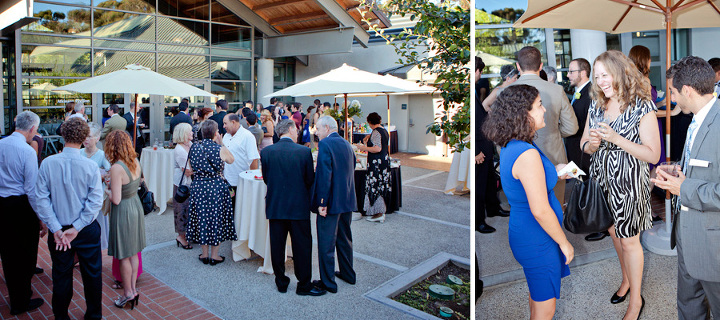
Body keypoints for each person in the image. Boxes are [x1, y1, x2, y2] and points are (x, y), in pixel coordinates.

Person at [482, 84, 575, 320]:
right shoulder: (527, 153)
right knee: (546, 310)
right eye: (539, 105)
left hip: (529, 234)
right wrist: (564, 242)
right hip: (538, 238)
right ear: (524, 114)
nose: (544, 110)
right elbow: (541, 210)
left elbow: (528, 182)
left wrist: (555, 171)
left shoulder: (515, 145)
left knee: (537, 297)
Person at [580, 50, 661, 320]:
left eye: (606, 75)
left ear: (621, 72)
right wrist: (591, 145)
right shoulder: (596, 104)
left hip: (628, 183)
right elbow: (583, 144)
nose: (601, 81)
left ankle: (636, 301)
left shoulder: (642, 105)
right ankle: (627, 279)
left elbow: (653, 154)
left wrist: (616, 138)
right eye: (597, 76)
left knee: (630, 241)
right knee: (615, 235)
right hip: (603, 180)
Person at [652, 56, 720, 320]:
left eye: (672, 91)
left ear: (687, 91)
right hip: (686, 237)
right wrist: (678, 169)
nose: (670, 97)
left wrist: (685, 187)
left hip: (713, 246)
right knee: (688, 306)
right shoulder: (697, 117)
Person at [35, 118, 104, 320]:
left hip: (62, 230)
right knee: (92, 274)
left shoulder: (48, 163)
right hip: (84, 229)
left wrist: (56, 228)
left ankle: (61, 316)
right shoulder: (90, 167)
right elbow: (95, 202)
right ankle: (93, 315)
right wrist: (76, 227)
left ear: (63, 136)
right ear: (84, 138)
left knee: (61, 275)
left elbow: (41, 199)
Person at [260, 119, 326, 296]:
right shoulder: (304, 152)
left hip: (276, 206)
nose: (297, 133)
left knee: (277, 246)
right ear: (290, 130)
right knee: (302, 247)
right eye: (295, 130)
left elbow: (267, 179)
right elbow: (309, 180)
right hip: (298, 207)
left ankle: (281, 282)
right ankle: (303, 285)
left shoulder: (266, 152)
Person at [509, 46, 579, 205]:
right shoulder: (556, 90)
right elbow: (571, 128)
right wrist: (553, 131)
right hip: (554, 155)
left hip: (517, 159)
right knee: (554, 205)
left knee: (526, 204)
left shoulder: (504, 91)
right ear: (540, 66)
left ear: (518, 67)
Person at [0, 111, 45, 315]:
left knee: (8, 253)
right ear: (32, 129)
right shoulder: (27, 151)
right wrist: (40, 217)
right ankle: (21, 300)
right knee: (26, 254)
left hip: (2, 205)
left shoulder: (1, 143)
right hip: (20, 207)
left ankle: (16, 295)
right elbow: (32, 190)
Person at [312, 116, 357, 294]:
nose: (316, 132)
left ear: (327, 127)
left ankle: (328, 283)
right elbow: (352, 165)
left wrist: (322, 202)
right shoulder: (346, 143)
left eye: (318, 128)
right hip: (346, 199)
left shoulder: (325, 145)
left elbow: (324, 175)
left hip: (330, 201)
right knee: (345, 239)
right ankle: (348, 273)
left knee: (326, 242)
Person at [565, 58, 608, 242]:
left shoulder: (591, 93)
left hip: (588, 151)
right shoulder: (578, 92)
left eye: (571, 71)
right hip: (577, 150)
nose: (568, 75)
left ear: (583, 73)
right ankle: (587, 215)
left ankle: (600, 223)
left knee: (593, 186)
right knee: (582, 181)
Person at [103, 130, 146, 310]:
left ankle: (127, 293)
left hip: (124, 211)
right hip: (136, 206)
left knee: (123, 255)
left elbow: (116, 199)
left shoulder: (116, 167)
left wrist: (107, 190)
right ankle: (133, 289)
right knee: (133, 252)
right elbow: (137, 182)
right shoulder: (135, 161)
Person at [187, 120, 236, 266]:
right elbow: (231, 160)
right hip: (216, 187)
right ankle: (214, 255)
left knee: (201, 217)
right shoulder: (219, 148)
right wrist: (222, 144)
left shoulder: (194, 147)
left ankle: (204, 254)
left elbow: (191, 166)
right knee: (216, 218)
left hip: (199, 186)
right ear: (216, 133)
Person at [476, 57, 506, 234]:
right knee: (480, 187)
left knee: (489, 182)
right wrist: (477, 152)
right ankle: (479, 221)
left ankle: (493, 208)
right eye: (479, 71)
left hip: (486, 147)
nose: (480, 75)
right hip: (480, 149)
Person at [354, 112, 391, 223]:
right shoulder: (383, 130)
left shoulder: (376, 132)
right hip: (383, 162)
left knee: (375, 186)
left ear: (370, 122)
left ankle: (379, 213)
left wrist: (363, 147)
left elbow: (377, 148)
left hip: (376, 163)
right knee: (380, 186)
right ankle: (378, 212)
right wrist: (368, 139)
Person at [84, 123, 112, 251]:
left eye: (89, 136)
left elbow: (109, 173)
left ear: (97, 138)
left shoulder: (101, 155)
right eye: (84, 136)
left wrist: (101, 174)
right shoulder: (78, 153)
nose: (86, 139)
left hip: (96, 198)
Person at [222, 114, 260, 207]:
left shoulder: (247, 136)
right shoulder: (226, 136)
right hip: (227, 182)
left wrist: (251, 182)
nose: (224, 126)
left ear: (233, 122)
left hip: (241, 183)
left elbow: (254, 159)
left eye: (225, 123)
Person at [173, 123, 194, 250]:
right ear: (184, 134)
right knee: (181, 210)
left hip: (189, 183)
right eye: (190, 131)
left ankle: (187, 234)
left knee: (189, 209)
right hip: (182, 185)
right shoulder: (180, 150)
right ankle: (181, 236)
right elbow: (187, 171)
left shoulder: (189, 145)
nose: (192, 133)